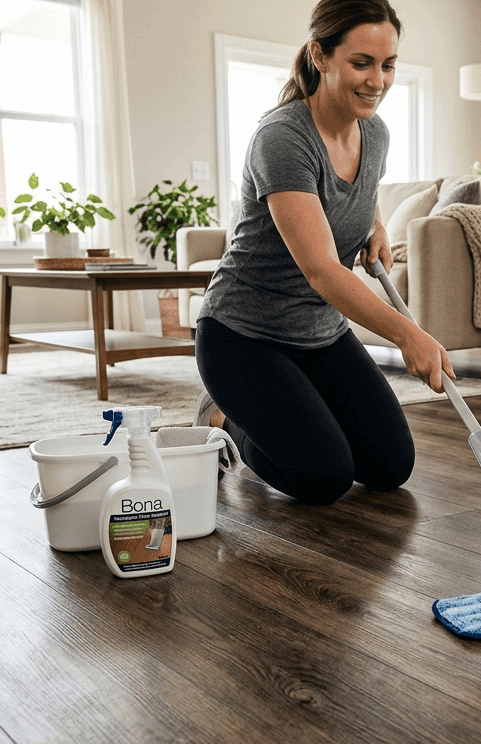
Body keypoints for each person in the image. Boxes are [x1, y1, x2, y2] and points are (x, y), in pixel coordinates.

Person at [193, 0, 454, 506]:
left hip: (319, 334)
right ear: (321, 55)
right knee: (323, 477)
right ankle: (223, 419)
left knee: (389, 465)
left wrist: (375, 225)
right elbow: (320, 269)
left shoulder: (374, 132)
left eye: (388, 64)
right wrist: (408, 334)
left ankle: (282, 413)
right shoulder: (282, 138)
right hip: (243, 336)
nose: (377, 80)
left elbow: (357, 189)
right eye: (361, 63)